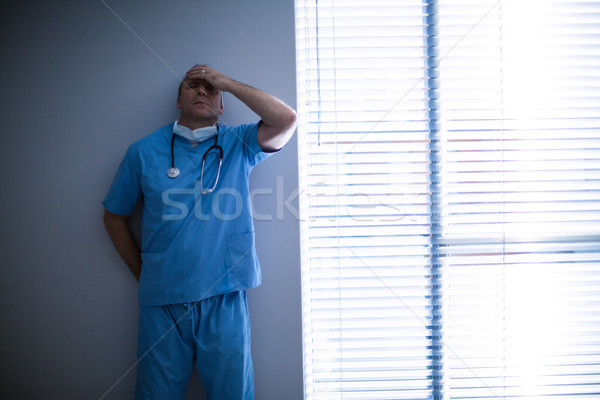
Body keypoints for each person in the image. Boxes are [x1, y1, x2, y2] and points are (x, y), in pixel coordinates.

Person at [102, 64, 296, 400]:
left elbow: (286, 120)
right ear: (179, 101)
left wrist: (229, 83)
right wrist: (145, 273)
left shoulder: (239, 143)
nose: (202, 91)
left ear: (222, 106)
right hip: (162, 303)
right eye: (193, 86)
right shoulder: (143, 152)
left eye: (211, 89)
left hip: (225, 297)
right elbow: (114, 216)